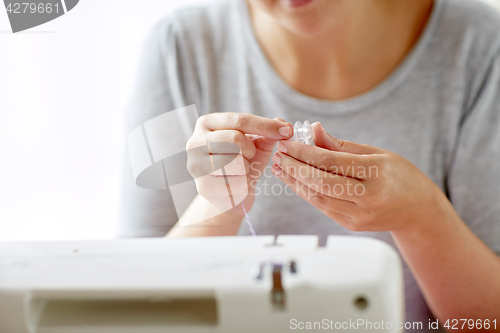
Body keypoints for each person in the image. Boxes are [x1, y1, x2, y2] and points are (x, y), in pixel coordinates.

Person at [121, 0, 500, 330]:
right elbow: (132, 309)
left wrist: (421, 214)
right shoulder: (180, 48)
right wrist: (217, 207)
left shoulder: (479, 46)